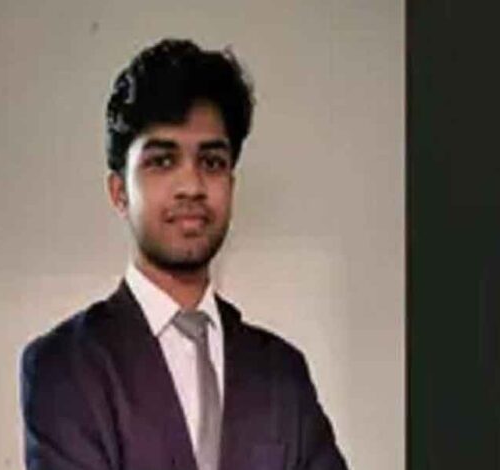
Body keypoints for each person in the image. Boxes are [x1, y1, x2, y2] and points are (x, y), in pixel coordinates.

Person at [20, 38, 348, 470]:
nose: (191, 186)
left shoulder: (282, 373)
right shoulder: (64, 366)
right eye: (162, 161)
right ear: (119, 192)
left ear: (231, 184)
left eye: (211, 163)